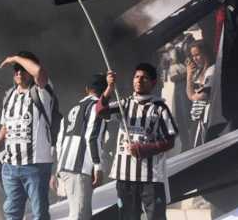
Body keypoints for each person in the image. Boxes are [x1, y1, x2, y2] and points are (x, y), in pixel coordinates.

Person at [96, 64, 177, 220]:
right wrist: (109, 88)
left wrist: (143, 149)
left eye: (144, 78)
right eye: (136, 77)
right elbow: (100, 111)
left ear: (153, 83)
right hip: (124, 176)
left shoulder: (160, 108)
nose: (139, 80)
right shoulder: (124, 104)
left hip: (151, 178)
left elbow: (169, 141)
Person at [0, 52, 55, 220]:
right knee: (11, 213)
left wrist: (14, 59)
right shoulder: (9, 97)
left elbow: (40, 73)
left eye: (22, 69)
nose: (19, 72)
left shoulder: (41, 91)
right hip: (10, 166)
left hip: (35, 166)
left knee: (39, 214)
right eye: (15, 69)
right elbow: (5, 127)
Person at [55, 74, 109, 220]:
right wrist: (98, 166)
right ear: (105, 91)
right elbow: (92, 137)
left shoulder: (72, 109)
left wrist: (59, 169)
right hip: (80, 167)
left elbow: (60, 141)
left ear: (86, 89)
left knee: (77, 213)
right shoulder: (97, 108)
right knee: (80, 215)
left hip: (66, 166)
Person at [185, 40, 215, 147]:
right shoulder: (198, 72)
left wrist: (193, 95)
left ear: (205, 53)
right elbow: (190, 96)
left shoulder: (212, 70)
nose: (195, 59)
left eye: (197, 55)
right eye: (193, 56)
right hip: (197, 118)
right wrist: (189, 76)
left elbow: (201, 96)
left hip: (208, 118)